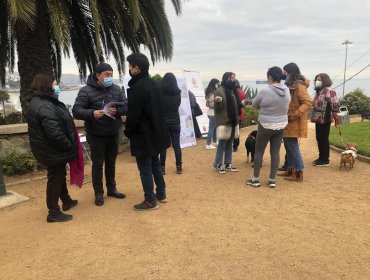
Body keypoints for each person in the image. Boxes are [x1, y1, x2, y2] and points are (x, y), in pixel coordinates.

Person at [72, 62, 127, 206]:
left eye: (111, 74)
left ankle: (112, 189)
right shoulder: (86, 91)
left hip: (113, 132)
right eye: (106, 74)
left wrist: (118, 111)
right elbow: (76, 110)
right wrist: (92, 113)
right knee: (97, 164)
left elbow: (126, 105)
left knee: (111, 162)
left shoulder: (116, 89)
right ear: (98, 75)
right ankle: (98, 193)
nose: (110, 77)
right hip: (96, 134)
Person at [27, 74, 79, 223]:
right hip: (53, 150)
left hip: (49, 150)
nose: (57, 87)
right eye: (55, 84)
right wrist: (68, 145)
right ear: (47, 86)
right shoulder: (45, 105)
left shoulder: (41, 102)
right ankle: (53, 212)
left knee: (59, 175)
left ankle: (66, 200)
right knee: (55, 178)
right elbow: (54, 133)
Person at [124, 53, 170, 211]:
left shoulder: (138, 88)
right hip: (156, 132)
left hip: (143, 134)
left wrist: (128, 131)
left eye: (130, 66)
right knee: (155, 163)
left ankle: (150, 200)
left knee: (145, 168)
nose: (129, 69)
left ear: (136, 68)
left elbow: (133, 114)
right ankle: (161, 193)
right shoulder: (154, 84)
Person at [246, 67, 291, 188]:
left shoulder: (265, 90)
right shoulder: (286, 89)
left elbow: (255, 105)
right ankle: (272, 180)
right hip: (281, 125)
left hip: (265, 124)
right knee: (275, 152)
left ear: (270, 77)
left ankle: (255, 179)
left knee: (259, 152)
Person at [277, 63, 312, 182]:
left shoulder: (299, 86)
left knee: (293, 147)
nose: (283, 74)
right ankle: (290, 169)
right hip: (288, 120)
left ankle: (298, 172)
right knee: (288, 146)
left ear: (290, 72)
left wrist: (295, 114)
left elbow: (308, 102)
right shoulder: (291, 85)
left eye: (285, 72)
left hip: (294, 121)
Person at [213, 72, 244, 174]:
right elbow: (218, 109)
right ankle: (218, 164)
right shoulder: (219, 91)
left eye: (234, 78)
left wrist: (242, 104)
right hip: (224, 120)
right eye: (231, 78)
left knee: (230, 143)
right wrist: (217, 102)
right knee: (222, 143)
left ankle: (228, 163)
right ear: (226, 79)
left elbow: (236, 105)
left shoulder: (232, 90)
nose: (233, 80)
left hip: (233, 120)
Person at [311, 73, 340, 166]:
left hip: (325, 118)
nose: (317, 81)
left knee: (324, 138)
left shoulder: (329, 91)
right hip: (318, 118)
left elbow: (335, 105)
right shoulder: (319, 91)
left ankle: (325, 159)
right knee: (319, 138)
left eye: (319, 79)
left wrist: (336, 118)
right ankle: (321, 157)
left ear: (325, 80)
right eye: (316, 79)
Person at [159, 72, 183, 175]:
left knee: (163, 146)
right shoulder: (178, 94)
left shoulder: (160, 94)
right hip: (175, 121)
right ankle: (179, 167)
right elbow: (177, 106)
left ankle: (162, 168)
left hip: (163, 122)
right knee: (176, 145)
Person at [205, 78, 220, 150]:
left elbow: (207, 104)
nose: (218, 85)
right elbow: (212, 104)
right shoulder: (213, 93)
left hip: (210, 112)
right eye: (217, 83)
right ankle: (208, 144)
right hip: (213, 113)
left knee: (214, 128)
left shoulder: (208, 92)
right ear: (215, 84)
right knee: (211, 129)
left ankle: (214, 142)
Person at [232, 79, 246, 152]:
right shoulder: (242, 92)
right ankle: (235, 146)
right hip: (240, 114)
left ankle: (230, 145)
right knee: (237, 131)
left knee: (231, 131)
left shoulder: (231, 91)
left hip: (233, 114)